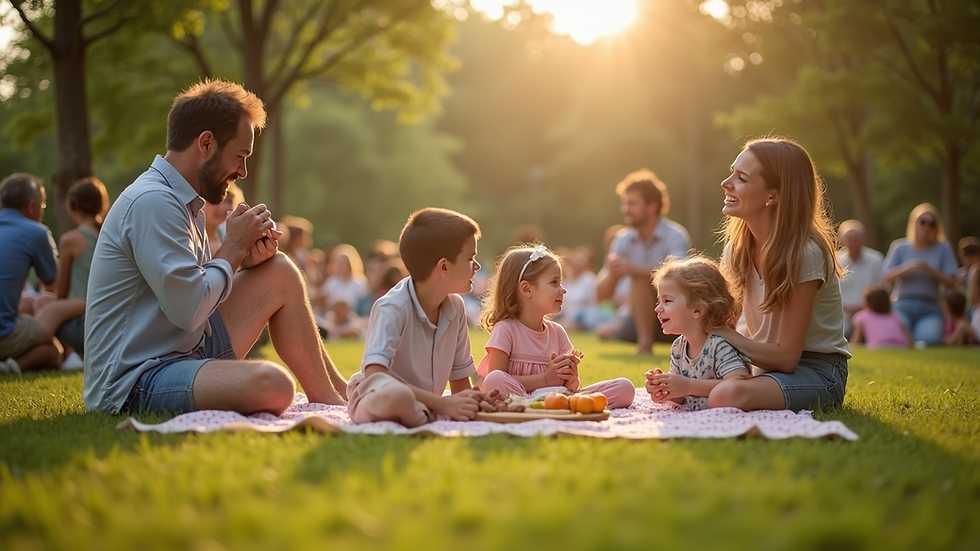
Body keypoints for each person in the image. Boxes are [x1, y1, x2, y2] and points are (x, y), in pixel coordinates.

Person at [83, 79, 347, 415]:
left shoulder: (185, 201)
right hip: (135, 382)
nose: (242, 170)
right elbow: (188, 310)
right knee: (273, 384)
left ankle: (334, 393)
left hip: (183, 351)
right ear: (206, 143)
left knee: (279, 269)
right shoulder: (153, 202)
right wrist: (233, 246)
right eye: (240, 156)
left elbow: (195, 298)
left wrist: (244, 261)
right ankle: (332, 397)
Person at [709, 137, 851, 412]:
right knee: (684, 385)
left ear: (773, 196)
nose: (726, 183)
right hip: (760, 365)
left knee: (727, 395)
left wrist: (721, 333)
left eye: (742, 178)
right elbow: (729, 323)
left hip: (818, 372)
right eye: (731, 173)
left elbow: (787, 358)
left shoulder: (805, 253)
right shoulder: (735, 251)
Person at [346, 207, 488, 427]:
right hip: (375, 397)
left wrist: (472, 402)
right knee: (399, 397)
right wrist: (443, 405)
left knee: (409, 400)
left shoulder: (456, 308)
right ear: (443, 266)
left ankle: (421, 415)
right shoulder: (392, 307)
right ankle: (424, 416)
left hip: (425, 403)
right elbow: (375, 374)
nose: (477, 267)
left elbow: (459, 380)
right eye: (471, 258)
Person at [476, 244, 635, 407]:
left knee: (625, 388)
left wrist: (571, 376)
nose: (563, 290)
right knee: (494, 380)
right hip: (520, 397)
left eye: (561, 282)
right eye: (554, 283)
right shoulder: (505, 329)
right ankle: (539, 406)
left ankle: (553, 406)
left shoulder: (558, 331)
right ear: (527, 289)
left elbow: (572, 387)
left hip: (559, 396)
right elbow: (496, 377)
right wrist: (545, 378)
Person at [595, 169, 691, 355]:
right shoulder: (622, 239)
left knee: (639, 278)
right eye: (624, 204)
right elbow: (601, 294)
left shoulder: (675, 235)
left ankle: (644, 345)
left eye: (631, 204)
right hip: (638, 319)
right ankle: (636, 338)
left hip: (676, 316)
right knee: (605, 331)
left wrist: (634, 269)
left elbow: (681, 279)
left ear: (652, 206)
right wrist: (613, 273)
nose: (625, 210)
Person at [644, 256, 750, 411]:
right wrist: (663, 388)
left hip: (720, 419)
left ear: (698, 309)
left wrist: (687, 386)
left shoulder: (718, 345)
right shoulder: (678, 347)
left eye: (667, 301)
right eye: (658, 301)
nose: (658, 308)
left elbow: (739, 384)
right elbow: (681, 397)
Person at [40, 177, 111, 360]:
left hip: (83, 323)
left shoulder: (70, 240)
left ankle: (60, 356)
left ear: (72, 205)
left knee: (42, 304)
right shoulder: (108, 235)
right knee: (44, 303)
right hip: (107, 319)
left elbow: (61, 293)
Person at [0, 173, 62, 373]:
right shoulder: (36, 232)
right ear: (31, 206)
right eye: (42, 206)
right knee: (53, 350)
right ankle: (11, 367)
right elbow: (53, 283)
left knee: (27, 305)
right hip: (4, 334)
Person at [882, 203, 958, 346]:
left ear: (936, 227)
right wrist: (908, 268)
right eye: (922, 222)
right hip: (902, 304)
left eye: (932, 224)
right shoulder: (899, 246)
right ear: (914, 223)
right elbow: (886, 276)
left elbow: (952, 282)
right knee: (899, 337)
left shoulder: (943, 248)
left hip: (931, 307)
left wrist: (930, 270)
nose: (927, 227)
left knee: (928, 340)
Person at [836, 219, 884, 338]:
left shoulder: (876, 260)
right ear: (842, 240)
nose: (852, 241)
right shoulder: (835, 260)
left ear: (863, 239)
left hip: (869, 311)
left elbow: (881, 288)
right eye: (849, 238)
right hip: (841, 311)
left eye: (856, 237)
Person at [202, 182, 243, 253]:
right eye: (217, 200)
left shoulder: (227, 235)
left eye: (229, 201)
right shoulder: (188, 237)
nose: (225, 207)